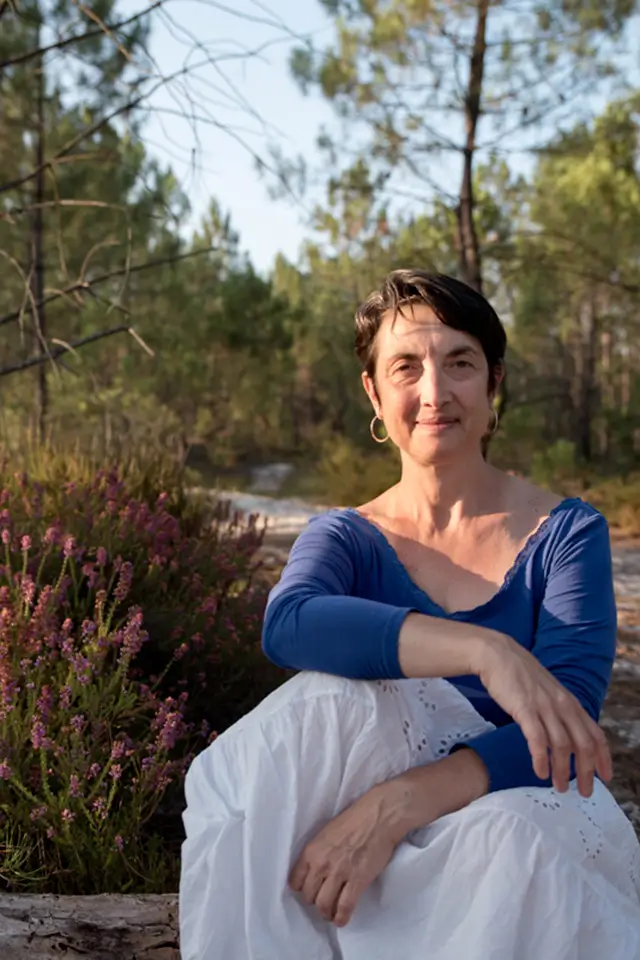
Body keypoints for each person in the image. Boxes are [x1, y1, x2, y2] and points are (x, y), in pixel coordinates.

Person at [180, 270, 640, 960]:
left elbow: (563, 726)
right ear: (373, 391)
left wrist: (397, 803)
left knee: (511, 838)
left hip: (517, 816)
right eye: (406, 367)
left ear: (494, 383)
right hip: (350, 847)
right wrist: (488, 651)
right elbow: (290, 624)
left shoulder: (566, 534)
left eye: (459, 362)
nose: (434, 392)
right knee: (320, 706)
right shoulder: (346, 537)